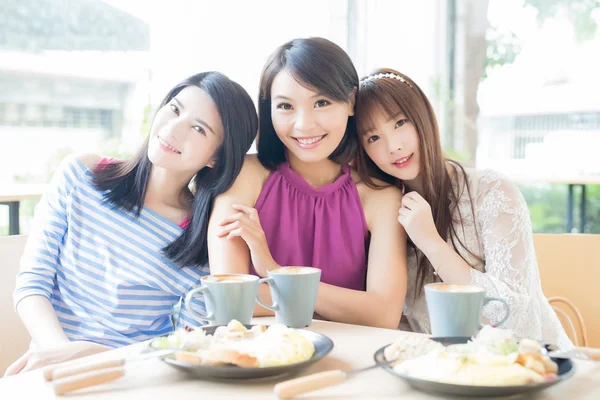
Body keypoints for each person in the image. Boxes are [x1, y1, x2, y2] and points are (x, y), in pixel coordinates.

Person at [6, 72, 258, 375]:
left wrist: (96, 357)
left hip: (130, 377)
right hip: (46, 368)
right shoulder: (81, 175)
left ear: (216, 158)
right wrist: (62, 354)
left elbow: (185, 345)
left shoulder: (201, 240)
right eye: (175, 109)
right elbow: (32, 285)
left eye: (198, 128)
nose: (174, 129)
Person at [354, 68, 572, 348]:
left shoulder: (492, 191)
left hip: (526, 366)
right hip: (444, 373)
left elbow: (518, 319)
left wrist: (431, 243)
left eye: (400, 123)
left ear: (423, 116)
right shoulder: (383, 212)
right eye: (373, 138)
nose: (393, 146)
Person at [208, 38, 407, 329]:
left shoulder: (380, 197)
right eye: (286, 106)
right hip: (258, 358)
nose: (304, 124)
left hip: (350, 358)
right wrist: (344, 306)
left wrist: (276, 272)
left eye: (321, 102)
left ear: (351, 101)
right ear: (270, 110)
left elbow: (383, 315)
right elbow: (228, 301)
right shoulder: (245, 176)